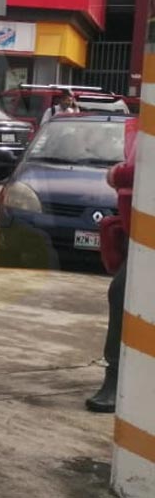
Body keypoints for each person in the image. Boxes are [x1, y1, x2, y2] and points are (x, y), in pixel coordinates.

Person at [86, 116, 138, 413]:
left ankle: (116, 377)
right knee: (121, 294)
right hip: (139, 237)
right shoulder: (142, 129)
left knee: (121, 293)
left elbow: (136, 172)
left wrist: (117, 173)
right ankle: (116, 377)